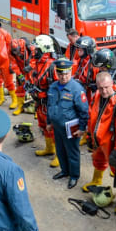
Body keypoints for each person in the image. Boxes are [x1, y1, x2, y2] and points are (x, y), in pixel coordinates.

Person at [83, 72, 116, 214]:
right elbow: (92, 117)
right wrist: (90, 136)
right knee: (98, 161)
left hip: (112, 145)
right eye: (101, 88)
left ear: (112, 84)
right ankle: (96, 181)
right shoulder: (97, 96)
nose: (104, 91)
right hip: (99, 141)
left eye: (107, 87)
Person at [47, 59, 89, 189]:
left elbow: (84, 111)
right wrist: (49, 122)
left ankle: (74, 176)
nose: (63, 77)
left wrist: (82, 128)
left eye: (66, 74)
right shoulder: (53, 87)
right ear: (56, 73)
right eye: (60, 74)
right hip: (57, 127)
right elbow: (50, 106)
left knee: (72, 152)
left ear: (71, 72)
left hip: (71, 129)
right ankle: (65, 171)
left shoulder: (76, 89)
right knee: (60, 150)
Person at [25, 35, 58, 167]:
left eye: (36, 49)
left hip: (49, 103)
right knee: (44, 125)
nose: (34, 51)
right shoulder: (38, 63)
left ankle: (59, 156)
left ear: (43, 49)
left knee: (54, 129)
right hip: (40, 102)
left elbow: (58, 88)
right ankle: (49, 149)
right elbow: (36, 79)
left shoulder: (52, 66)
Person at [9, 37, 36, 116]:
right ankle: (20, 107)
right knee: (20, 89)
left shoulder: (29, 47)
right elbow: (13, 64)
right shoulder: (10, 51)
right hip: (21, 70)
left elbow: (36, 58)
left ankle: (37, 110)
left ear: (19, 47)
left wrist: (31, 66)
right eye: (14, 52)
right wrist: (19, 74)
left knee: (34, 89)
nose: (15, 53)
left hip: (31, 69)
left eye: (16, 51)